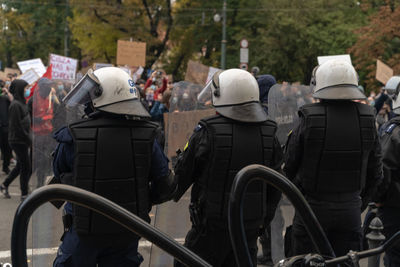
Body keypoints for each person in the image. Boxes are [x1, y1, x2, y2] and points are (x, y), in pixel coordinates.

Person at [52, 67, 177, 267]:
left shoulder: (74, 136)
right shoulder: (147, 136)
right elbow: (167, 185)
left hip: (83, 234)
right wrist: (141, 198)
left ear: (101, 97)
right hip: (127, 231)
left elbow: (59, 173)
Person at [173, 68, 283, 266]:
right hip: (248, 228)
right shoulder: (269, 133)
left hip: (210, 228)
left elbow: (180, 178)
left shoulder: (207, 132)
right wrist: (262, 222)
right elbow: (276, 187)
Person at [284, 59, 383, 257]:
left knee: (306, 261)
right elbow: (376, 171)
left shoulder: (308, 118)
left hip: (312, 208)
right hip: (350, 211)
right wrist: (357, 202)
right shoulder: (368, 117)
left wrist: (301, 197)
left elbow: (290, 165)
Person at [374, 75, 400, 266]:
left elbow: (384, 169)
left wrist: (379, 199)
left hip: (395, 206)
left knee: (394, 255)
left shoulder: (393, 131)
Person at [255, 74, 281, 266]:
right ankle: (272, 252)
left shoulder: (258, 112)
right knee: (273, 212)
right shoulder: (282, 109)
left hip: (261, 167)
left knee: (261, 213)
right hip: (277, 168)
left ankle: (269, 252)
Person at [0, 79, 32, 200]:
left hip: (23, 140)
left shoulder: (21, 103)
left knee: (21, 166)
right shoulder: (15, 105)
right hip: (18, 141)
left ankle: (4, 184)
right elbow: (16, 126)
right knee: (26, 167)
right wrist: (28, 139)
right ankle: (24, 193)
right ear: (19, 89)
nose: (27, 91)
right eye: (25, 88)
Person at [29, 78, 55, 187]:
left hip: (47, 134)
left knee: (45, 160)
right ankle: (27, 182)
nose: (49, 88)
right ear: (41, 86)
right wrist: (36, 119)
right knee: (36, 161)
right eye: (47, 86)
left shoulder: (51, 99)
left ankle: (40, 183)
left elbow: (53, 114)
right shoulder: (33, 99)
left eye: (50, 85)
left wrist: (44, 118)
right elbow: (28, 116)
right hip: (36, 135)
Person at [0, 81, 13, 174]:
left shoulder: (5, 98)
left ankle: (5, 166)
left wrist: (7, 92)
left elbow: (13, 101)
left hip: (5, 128)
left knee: (7, 149)